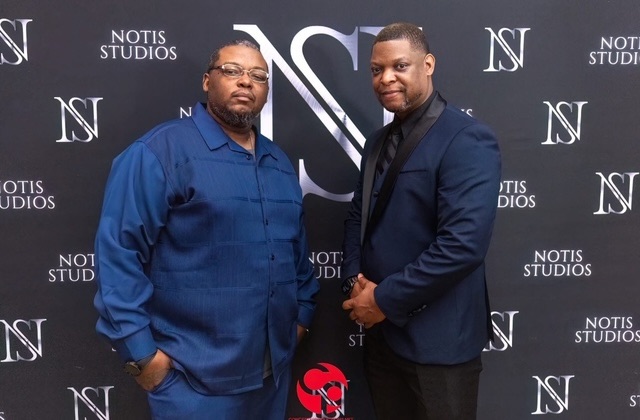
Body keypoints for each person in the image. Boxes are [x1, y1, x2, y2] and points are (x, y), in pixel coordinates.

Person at [94, 39, 319, 419]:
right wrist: (143, 356)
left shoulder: (278, 162)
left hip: (272, 378)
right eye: (232, 71)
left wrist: (302, 318)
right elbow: (118, 254)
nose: (245, 81)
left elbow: (296, 256)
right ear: (207, 80)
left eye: (258, 75)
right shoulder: (160, 151)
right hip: (191, 383)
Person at [341, 23, 501, 419]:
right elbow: (359, 216)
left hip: (439, 344)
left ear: (427, 65)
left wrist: (382, 299)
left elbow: (462, 246)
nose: (386, 78)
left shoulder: (466, 138)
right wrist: (355, 280)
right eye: (377, 69)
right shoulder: (376, 142)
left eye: (400, 66)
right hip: (381, 338)